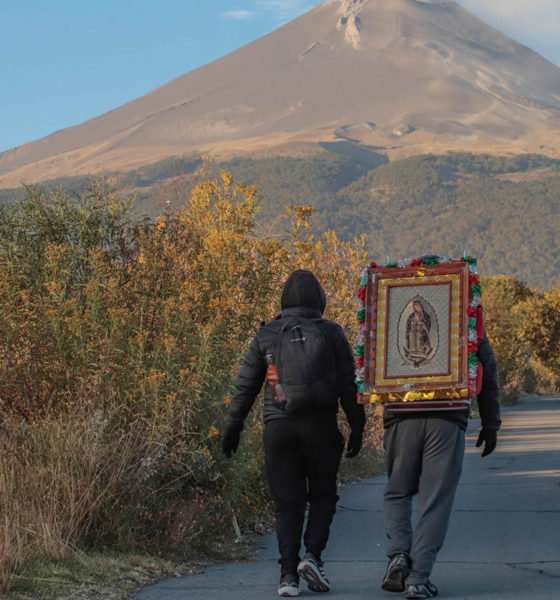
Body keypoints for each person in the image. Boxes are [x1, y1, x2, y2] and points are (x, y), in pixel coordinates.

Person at [221, 269, 366, 597]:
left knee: (287, 503)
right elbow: (348, 383)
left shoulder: (268, 334)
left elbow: (246, 385)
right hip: (320, 427)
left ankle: (288, 575)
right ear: (320, 300)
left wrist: (233, 426)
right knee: (323, 494)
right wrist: (358, 426)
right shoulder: (331, 333)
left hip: (279, 428)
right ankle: (313, 556)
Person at [380, 266, 501, 599]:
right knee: (434, 500)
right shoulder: (463, 315)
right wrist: (491, 423)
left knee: (397, 491)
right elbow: (486, 368)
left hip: (401, 413)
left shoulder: (390, 312)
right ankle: (418, 578)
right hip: (447, 418)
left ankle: (398, 555)